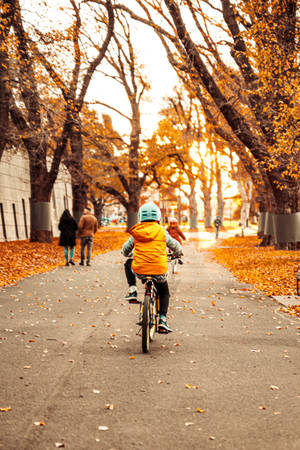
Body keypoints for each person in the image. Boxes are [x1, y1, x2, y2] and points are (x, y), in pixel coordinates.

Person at [122, 202, 183, 333]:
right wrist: (178, 254)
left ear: (140, 217)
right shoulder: (162, 232)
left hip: (140, 270)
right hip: (158, 270)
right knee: (164, 292)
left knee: (128, 263)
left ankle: (132, 290)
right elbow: (176, 246)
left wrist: (127, 254)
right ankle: (162, 319)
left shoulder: (137, 232)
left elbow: (125, 249)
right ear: (158, 217)